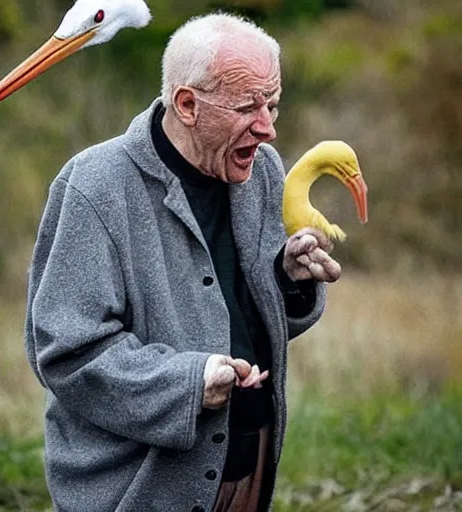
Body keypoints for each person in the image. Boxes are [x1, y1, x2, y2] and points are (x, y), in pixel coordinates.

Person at [25, 12, 341, 512]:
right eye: (247, 107)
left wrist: (288, 278)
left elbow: (246, 308)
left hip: (249, 463)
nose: (268, 130)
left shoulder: (262, 173)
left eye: (273, 106)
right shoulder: (94, 186)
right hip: (137, 488)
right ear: (188, 104)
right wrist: (189, 384)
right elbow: (68, 353)